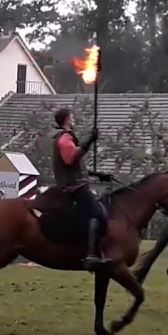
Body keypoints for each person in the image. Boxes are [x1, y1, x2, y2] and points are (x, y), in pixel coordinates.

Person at [51, 107, 109, 267]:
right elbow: (71, 159)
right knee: (96, 214)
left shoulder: (66, 138)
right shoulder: (64, 139)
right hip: (74, 187)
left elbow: (76, 167)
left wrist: (98, 174)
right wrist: (89, 140)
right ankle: (90, 255)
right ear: (67, 120)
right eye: (72, 117)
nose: (74, 119)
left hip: (76, 183)